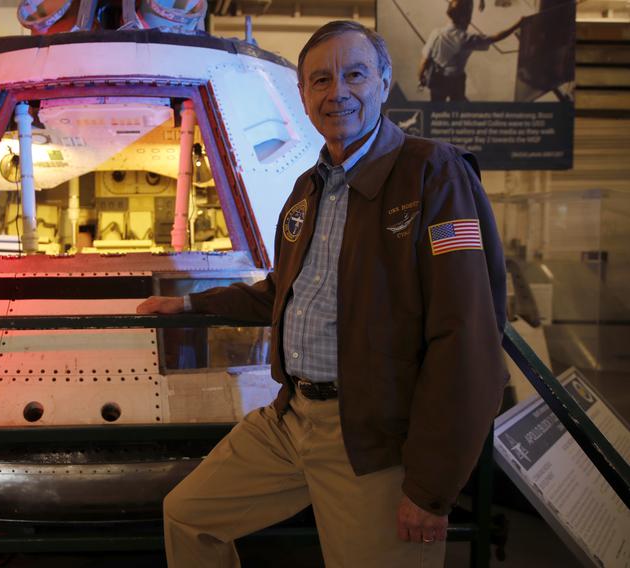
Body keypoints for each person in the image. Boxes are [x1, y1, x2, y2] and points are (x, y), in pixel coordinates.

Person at [137, 19, 508, 568]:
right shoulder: (310, 188)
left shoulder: (433, 174)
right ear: (304, 98)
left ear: (384, 82)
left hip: (372, 434)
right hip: (289, 418)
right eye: (320, 81)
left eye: (354, 75)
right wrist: (189, 304)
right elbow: (280, 294)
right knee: (189, 515)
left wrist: (431, 490)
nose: (338, 92)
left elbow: (468, 340)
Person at [418, 0, 525, 102]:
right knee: (457, 104)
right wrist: (518, 24)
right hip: (456, 81)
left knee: (436, 105)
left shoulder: (436, 33)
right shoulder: (468, 39)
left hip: (437, 80)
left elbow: (424, 60)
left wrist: (420, 76)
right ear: (467, 18)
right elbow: (495, 37)